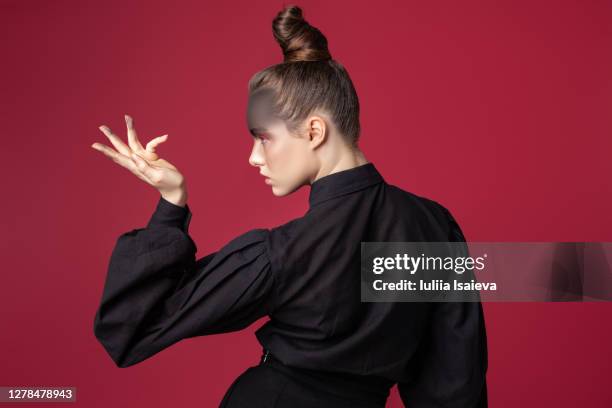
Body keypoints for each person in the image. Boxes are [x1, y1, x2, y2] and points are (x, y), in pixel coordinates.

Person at [91, 5, 488, 407]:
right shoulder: (434, 227)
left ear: (314, 130)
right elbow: (455, 381)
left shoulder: (284, 252)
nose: (253, 157)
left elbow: (133, 329)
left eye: (263, 138)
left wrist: (171, 203)